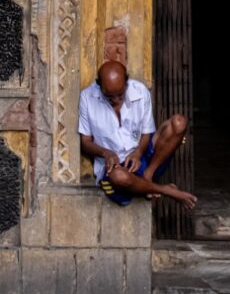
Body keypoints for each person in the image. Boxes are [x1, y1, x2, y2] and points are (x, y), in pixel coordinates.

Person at [78, 60, 197, 209]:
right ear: (99, 85)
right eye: (109, 97)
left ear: (127, 82)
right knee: (118, 177)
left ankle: (148, 177)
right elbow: (85, 142)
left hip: (143, 160)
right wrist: (105, 152)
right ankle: (165, 190)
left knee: (179, 123)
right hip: (114, 168)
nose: (115, 101)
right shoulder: (87, 98)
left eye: (120, 95)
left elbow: (147, 132)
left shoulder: (140, 91)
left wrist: (138, 152)